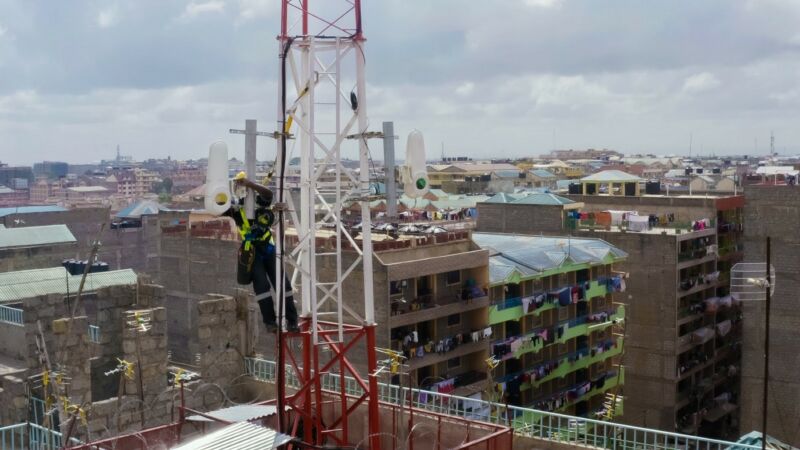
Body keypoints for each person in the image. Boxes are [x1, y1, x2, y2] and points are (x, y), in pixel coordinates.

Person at [224, 173, 299, 333]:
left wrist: (250, 184)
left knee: (283, 285)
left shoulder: (259, 202)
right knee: (261, 286)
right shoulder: (236, 209)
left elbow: (268, 194)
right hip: (252, 251)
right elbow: (218, 208)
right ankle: (270, 322)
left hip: (267, 247)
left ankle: (292, 321)